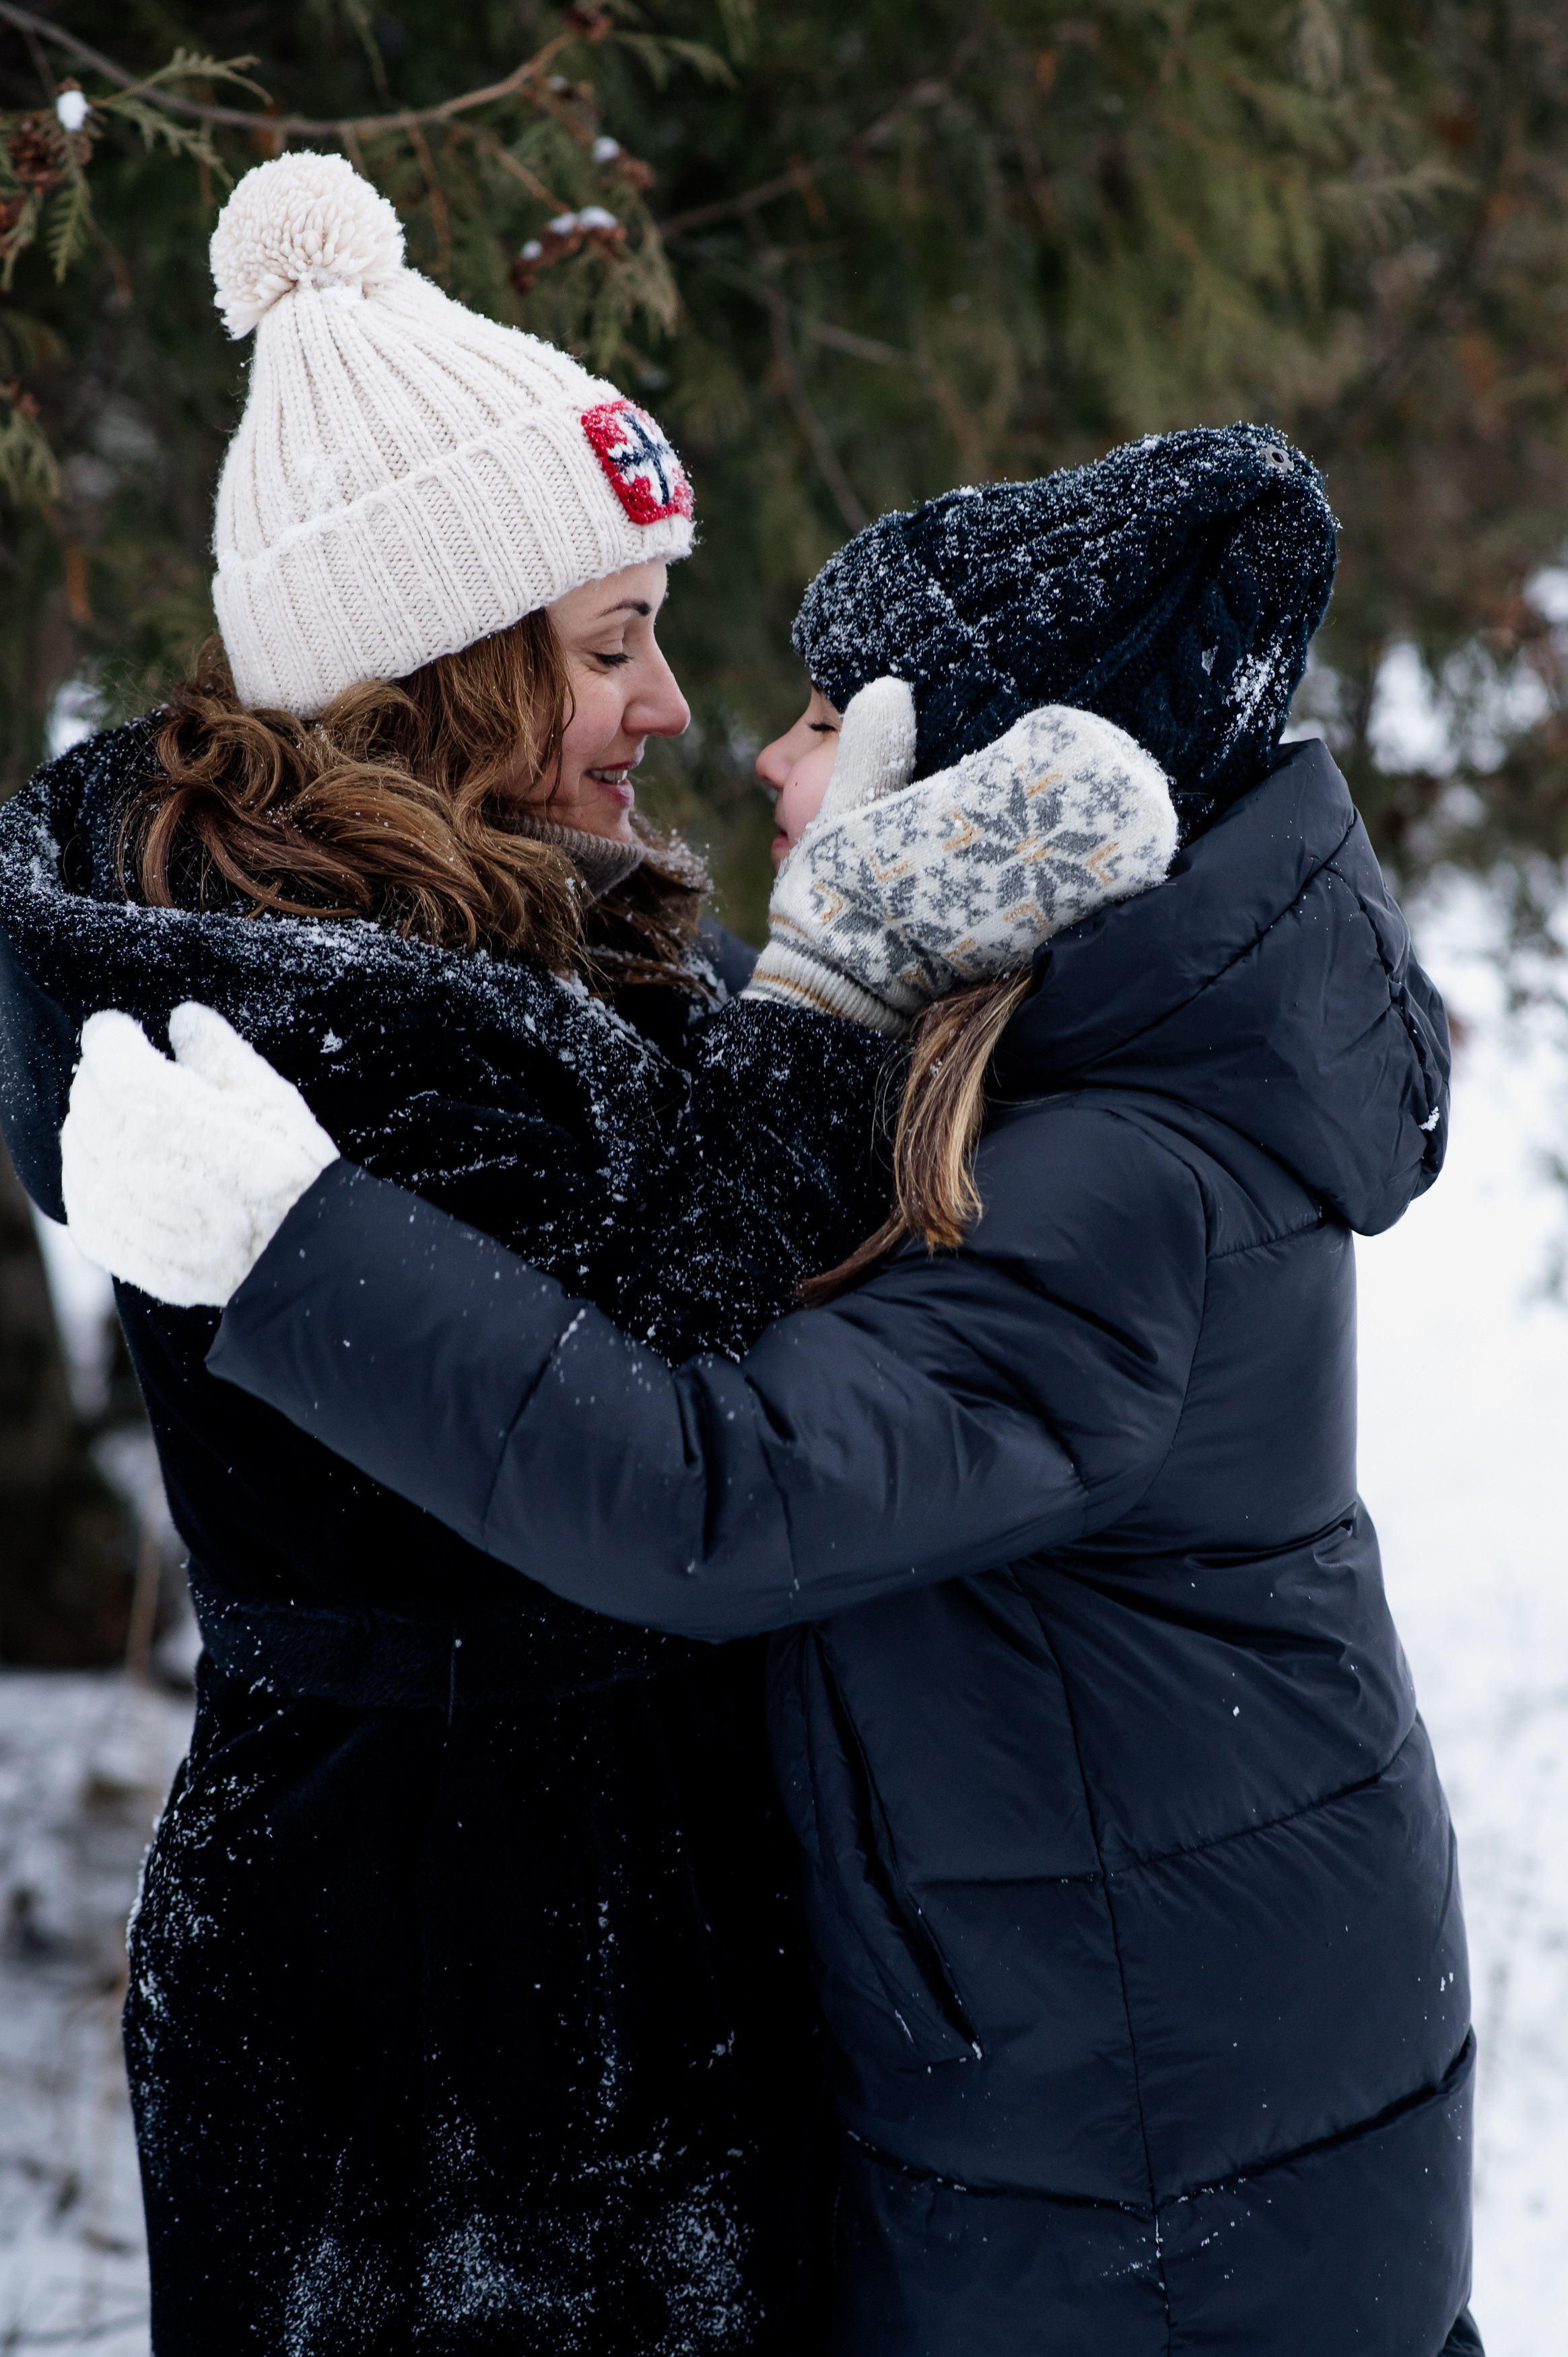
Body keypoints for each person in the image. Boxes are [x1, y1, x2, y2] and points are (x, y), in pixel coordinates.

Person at [59, 425, 1484, 2354]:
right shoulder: (1042, 1081)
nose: (758, 749)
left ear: (995, 806)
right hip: (1113, 2054)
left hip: (1143, 2148)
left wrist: (294, 1244)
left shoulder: (1100, 1177)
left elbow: (708, 1488)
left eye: (832, 718)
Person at [0, 156, 1177, 2355]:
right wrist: (840, 993)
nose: (666, 711)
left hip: (548, 1946)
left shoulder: (510, 942)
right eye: (611, 644)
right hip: (447, 2024)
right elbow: (671, 1384)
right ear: (444, 677)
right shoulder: (328, 1020)